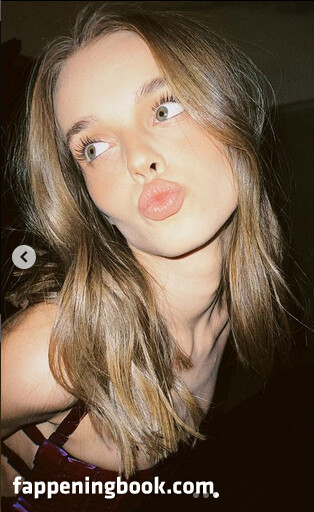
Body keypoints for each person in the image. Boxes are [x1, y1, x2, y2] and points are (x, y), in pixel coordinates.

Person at [1, 2, 293, 510]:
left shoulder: (224, 309)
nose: (138, 159)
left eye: (164, 110)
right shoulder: (58, 349)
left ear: (233, 114)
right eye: (94, 147)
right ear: (85, 197)